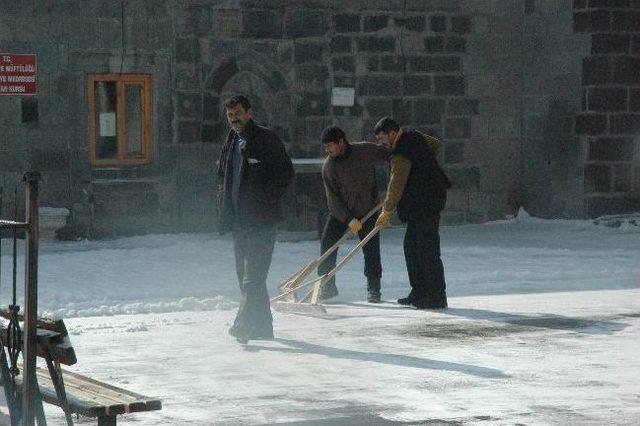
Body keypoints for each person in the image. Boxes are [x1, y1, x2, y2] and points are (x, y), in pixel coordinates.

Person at [217, 95, 294, 342]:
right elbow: (224, 177)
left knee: (253, 278)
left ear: (249, 112)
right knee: (246, 279)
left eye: (238, 113)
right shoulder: (231, 140)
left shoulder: (266, 139)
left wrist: (265, 200)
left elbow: (285, 172)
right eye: (230, 115)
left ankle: (242, 325)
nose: (234, 119)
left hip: (262, 221)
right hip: (239, 222)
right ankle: (263, 329)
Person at [373, 117, 451, 309]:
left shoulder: (400, 153)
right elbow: (435, 144)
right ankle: (420, 291)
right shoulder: (414, 137)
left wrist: (387, 210)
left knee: (426, 249)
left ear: (392, 133)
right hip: (426, 198)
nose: (382, 143)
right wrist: (422, 161)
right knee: (411, 247)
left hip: (425, 202)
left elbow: (396, 183)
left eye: (383, 138)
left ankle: (436, 295)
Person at [317, 125, 389, 303]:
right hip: (342, 213)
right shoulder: (329, 166)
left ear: (341, 142)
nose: (327, 150)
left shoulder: (364, 150)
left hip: (368, 209)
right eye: (325, 147)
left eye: (329, 146)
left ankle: (374, 289)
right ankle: (327, 286)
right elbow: (332, 200)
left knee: (372, 250)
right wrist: (348, 220)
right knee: (327, 244)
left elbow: (388, 154)